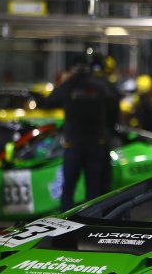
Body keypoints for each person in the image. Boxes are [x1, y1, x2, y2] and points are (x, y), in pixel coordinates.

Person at [43, 51, 120, 211]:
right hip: (96, 144)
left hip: (74, 144)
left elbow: (49, 102)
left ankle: (65, 219)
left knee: (68, 187)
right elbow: (114, 102)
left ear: (72, 68)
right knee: (93, 188)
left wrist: (64, 82)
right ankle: (92, 219)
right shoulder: (99, 86)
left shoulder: (68, 85)